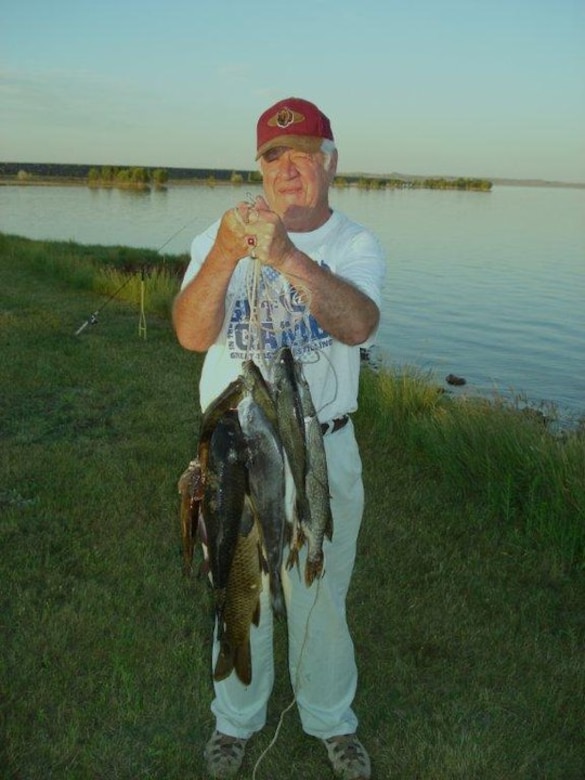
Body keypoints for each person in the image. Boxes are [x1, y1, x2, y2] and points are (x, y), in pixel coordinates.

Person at [173, 97, 386, 780]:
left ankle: (331, 720)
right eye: (273, 157)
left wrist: (288, 257)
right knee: (238, 581)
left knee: (320, 590)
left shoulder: (354, 243)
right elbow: (190, 333)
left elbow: (357, 326)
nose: (288, 170)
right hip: (233, 451)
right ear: (258, 167)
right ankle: (235, 720)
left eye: (302, 155)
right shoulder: (220, 234)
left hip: (321, 451)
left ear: (329, 162)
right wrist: (227, 256)